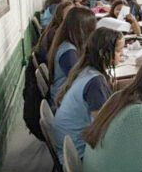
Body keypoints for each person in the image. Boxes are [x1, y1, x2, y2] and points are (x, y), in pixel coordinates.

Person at [53, 28, 124, 162]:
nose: (123, 54)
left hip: (71, 147)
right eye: (119, 51)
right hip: (81, 153)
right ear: (103, 53)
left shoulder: (86, 70)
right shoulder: (95, 83)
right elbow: (104, 127)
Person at [47, 7, 97, 104]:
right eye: (92, 29)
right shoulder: (68, 52)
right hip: (63, 101)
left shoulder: (69, 45)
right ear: (83, 30)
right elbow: (81, 80)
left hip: (67, 96)